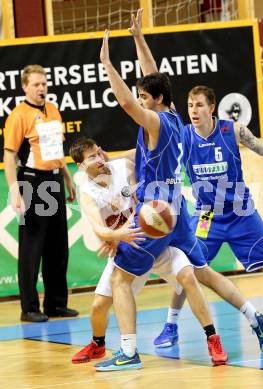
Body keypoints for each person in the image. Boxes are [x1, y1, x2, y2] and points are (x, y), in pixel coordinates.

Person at [127, 9, 263, 348]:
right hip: (208, 216)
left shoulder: (233, 131)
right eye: (189, 105)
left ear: (212, 107)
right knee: (188, 271)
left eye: (198, 105)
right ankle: (171, 325)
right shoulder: (181, 133)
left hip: (240, 211)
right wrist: (138, 38)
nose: (192, 110)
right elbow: (152, 78)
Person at [69, 137, 216, 365]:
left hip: (152, 242)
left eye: (99, 153)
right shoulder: (87, 192)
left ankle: (212, 337)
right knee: (98, 306)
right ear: (80, 166)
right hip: (128, 249)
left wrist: (115, 159)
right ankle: (98, 344)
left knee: (189, 275)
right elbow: (99, 229)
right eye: (92, 157)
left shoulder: (122, 168)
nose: (99, 159)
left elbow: (144, 154)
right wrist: (117, 235)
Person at [3, 65, 79, 322]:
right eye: (35, 84)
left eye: (43, 83)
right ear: (25, 87)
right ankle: (29, 308)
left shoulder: (54, 110)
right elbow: (10, 156)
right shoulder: (18, 115)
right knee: (31, 246)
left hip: (54, 181)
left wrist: (68, 179)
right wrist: (15, 190)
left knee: (58, 246)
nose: (41, 88)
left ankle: (56, 304)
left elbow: (57, 149)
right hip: (32, 183)